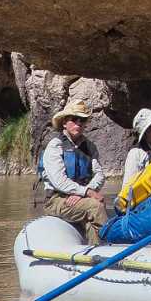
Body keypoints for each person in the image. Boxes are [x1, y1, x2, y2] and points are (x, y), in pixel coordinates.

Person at [38, 100, 108, 241]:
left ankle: (96, 251)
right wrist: (87, 192)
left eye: (82, 120)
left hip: (80, 197)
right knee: (96, 207)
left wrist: (84, 192)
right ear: (64, 122)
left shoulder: (90, 147)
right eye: (74, 120)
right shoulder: (55, 146)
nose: (79, 123)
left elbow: (99, 175)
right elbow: (59, 181)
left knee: (94, 210)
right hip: (55, 200)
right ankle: (110, 247)